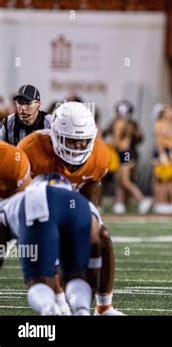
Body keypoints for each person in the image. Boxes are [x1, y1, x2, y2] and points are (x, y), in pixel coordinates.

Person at [18, 101, 123, 315]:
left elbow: (91, 185)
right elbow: (21, 198)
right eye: (71, 141)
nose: (77, 148)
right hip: (37, 205)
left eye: (83, 142)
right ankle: (58, 301)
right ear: (55, 135)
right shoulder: (30, 150)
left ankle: (104, 306)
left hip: (71, 204)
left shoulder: (99, 155)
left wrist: (88, 221)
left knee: (101, 236)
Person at [0, 173, 102, 315]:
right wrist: (94, 272)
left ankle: (48, 308)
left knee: (39, 280)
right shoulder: (83, 202)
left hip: (37, 203)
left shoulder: (21, 198)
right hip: (78, 207)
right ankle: (82, 309)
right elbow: (100, 237)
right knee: (76, 275)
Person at [106, 100, 151, 214]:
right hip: (128, 153)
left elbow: (116, 141)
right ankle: (120, 204)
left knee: (125, 180)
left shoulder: (119, 123)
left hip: (125, 153)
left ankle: (142, 199)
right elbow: (140, 138)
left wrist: (106, 147)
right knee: (120, 179)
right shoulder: (132, 124)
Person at [151, 104, 172, 214]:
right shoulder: (159, 124)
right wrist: (162, 155)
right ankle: (161, 203)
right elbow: (158, 142)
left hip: (171, 152)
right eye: (167, 111)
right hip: (162, 153)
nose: (170, 113)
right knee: (161, 179)